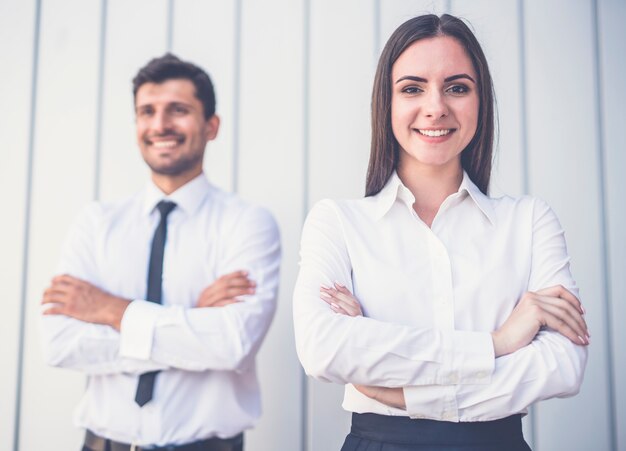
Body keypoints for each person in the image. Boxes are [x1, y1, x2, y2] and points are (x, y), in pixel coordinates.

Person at [293, 14, 588, 451]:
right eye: (413, 88)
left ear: (480, 100)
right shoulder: (337, 221)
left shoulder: (529, 221)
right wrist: (499, 343)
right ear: (386, 103)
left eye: (457, 87)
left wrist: (399, 391)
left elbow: (562, 365)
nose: (436, 107)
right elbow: (324, 348)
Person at [41, 53, 280, 451]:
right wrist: (193, 322)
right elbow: (60, 343)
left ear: (212, 126)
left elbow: (232, 345)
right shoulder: (96, 223)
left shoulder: (248, 223)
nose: (159, 125)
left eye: (178, 110)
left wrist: (111, 311)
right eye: (146, 111)